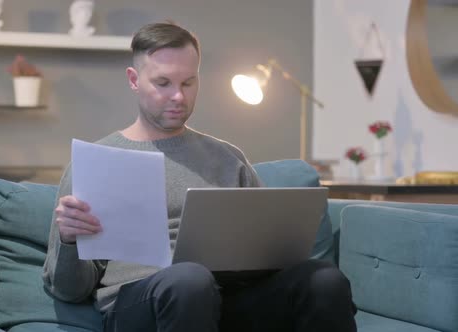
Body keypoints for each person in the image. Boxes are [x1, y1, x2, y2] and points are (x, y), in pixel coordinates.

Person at [43, 21, 357, 332]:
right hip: (140, 304)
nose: (178, 96)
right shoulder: (98, 161)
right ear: (134, 80)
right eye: (163, 83)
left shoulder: (227, 158)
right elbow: (69, 291)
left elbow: (269, 255)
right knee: (189, 279)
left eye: (188, 83)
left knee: (323, 279)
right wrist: (69, 241)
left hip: (228, 299)